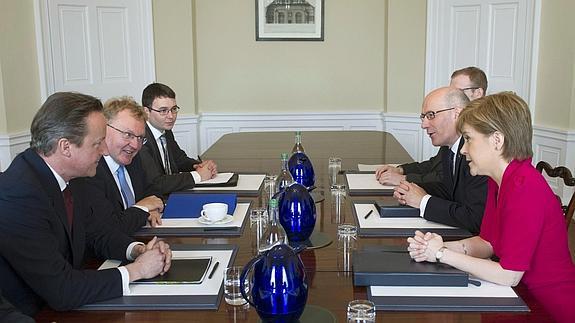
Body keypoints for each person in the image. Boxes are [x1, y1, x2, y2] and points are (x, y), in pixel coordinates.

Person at [407, 92, 575, 322]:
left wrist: (440, 254)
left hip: (545, 307)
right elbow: (487, 243)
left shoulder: (525, 187)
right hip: (516, 298)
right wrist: (435, 245)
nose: (463, 149)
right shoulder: (499, 180)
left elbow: (509, 275)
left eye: (468, 138)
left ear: (497, 140)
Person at [0, 92, 172, 316]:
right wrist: (136, 271)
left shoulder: (72, 176)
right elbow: (62, 290)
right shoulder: (19, 194)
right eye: (98, 143)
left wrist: (137, 250)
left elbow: (96, 233)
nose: (104, 150)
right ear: (66, 147)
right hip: (36, 313)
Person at [391, 87, 487, 234]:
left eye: (431, 115)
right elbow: (450, 191)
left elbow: (474, 218)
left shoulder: (477, 153)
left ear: (457, 113)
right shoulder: (448, 147)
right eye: (423, 117)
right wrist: (411, 190)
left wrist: (423, 201)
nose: (424, 125)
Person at [376, 66, 487, 186]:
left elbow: (442, 179)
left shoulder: (481, 136)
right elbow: (436, 165)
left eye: (459, 92)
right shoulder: (450, 132)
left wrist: (404, 179)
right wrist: (401, 169)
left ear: (478, 93)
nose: (453, 96)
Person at [78, 97, 165, 234]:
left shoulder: (132, 159)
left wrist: (152, 208)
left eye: (140, 138)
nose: (136, 145)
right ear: (105, 129)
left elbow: (152, 190)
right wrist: (142, 209)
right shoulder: (91, 171)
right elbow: (110, 228)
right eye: (128, 134)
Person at [139, 83, 217, 196]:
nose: (171, 116)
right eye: (163, 111)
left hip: (173, 194)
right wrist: (198, 175)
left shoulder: (165, 130)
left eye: (173, 109)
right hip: (155, 201)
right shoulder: (140, 138)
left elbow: (179, 160)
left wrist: (199, 166)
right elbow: (156, 183)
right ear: (146, 111)